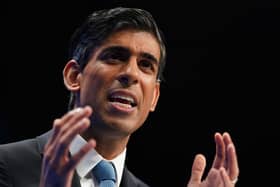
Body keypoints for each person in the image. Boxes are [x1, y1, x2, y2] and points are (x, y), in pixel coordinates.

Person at [0, 7, 239, 187]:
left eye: (146, 65)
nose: (131, 74)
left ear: (154, 97)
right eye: (115, 57)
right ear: (74, 76)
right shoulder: (5, 165)